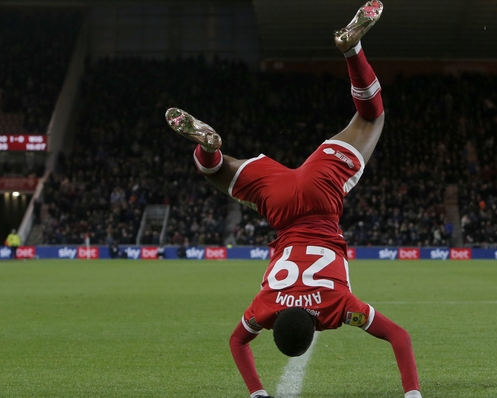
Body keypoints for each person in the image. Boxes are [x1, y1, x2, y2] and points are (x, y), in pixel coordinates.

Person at [165, 2, 421, 397]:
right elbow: (237, 341)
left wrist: (413, 394)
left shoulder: (338, 307)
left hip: (321, 197)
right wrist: (257, 394)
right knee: (221, 174)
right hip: (280, 202)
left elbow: (399, 336)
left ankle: (352, 50)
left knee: (371, 119)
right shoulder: (264, 308)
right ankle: (210, 152)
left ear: (316, 326)